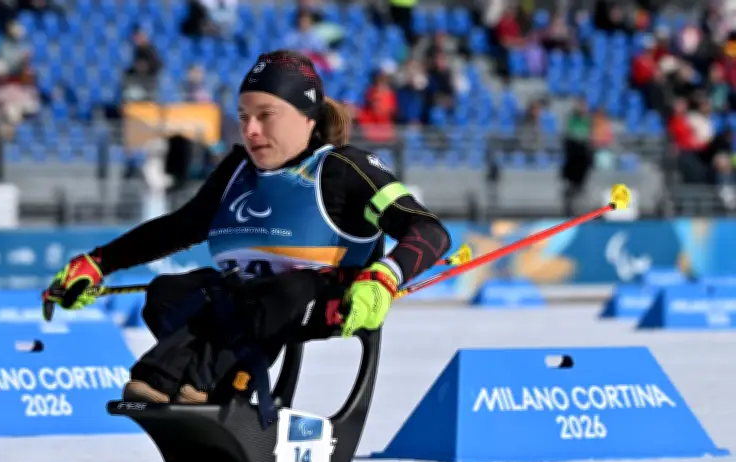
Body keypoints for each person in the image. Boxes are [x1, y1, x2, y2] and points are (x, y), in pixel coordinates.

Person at [42, 50, 451, 405]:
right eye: (243, 117)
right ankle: (181, 384)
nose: (251, 129)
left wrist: (385, 277)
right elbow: (179, 227)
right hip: (241, 300)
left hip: (318, 301)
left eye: (265, 116)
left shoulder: (345, 168)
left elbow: (429, 231)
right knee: (168, 293)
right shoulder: (236, 169)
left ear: (307, 118)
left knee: (278, 295)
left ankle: (202, 382)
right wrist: (97, 263)